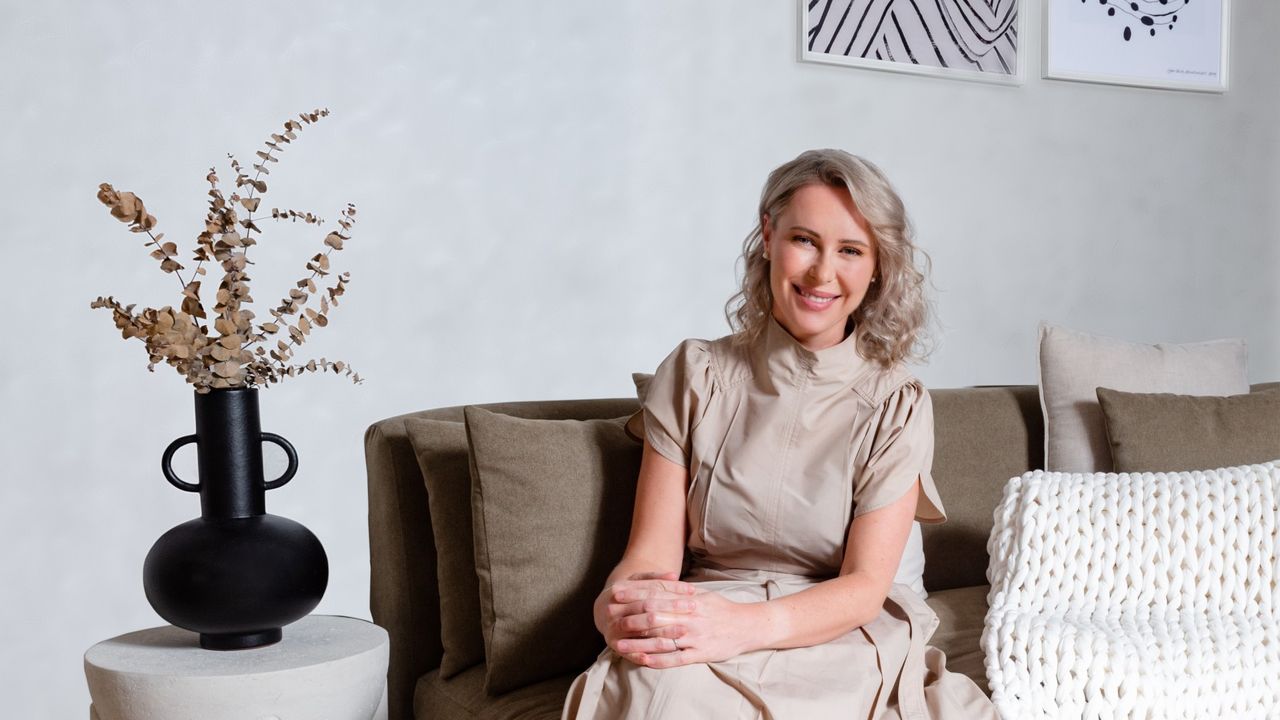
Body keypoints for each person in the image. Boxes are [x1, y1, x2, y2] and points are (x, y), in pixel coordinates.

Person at [562, 149, 997, 718]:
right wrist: (622, 605)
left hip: (837, 629)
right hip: (708, 608)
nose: (822, 274)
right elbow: (650, 556)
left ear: (877, 267)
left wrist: (745, 628)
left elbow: (865, 586)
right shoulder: (695, 374)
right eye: (805, 240)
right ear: (768, 235)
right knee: (660, 694)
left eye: (850, 250)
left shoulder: (897, 402)